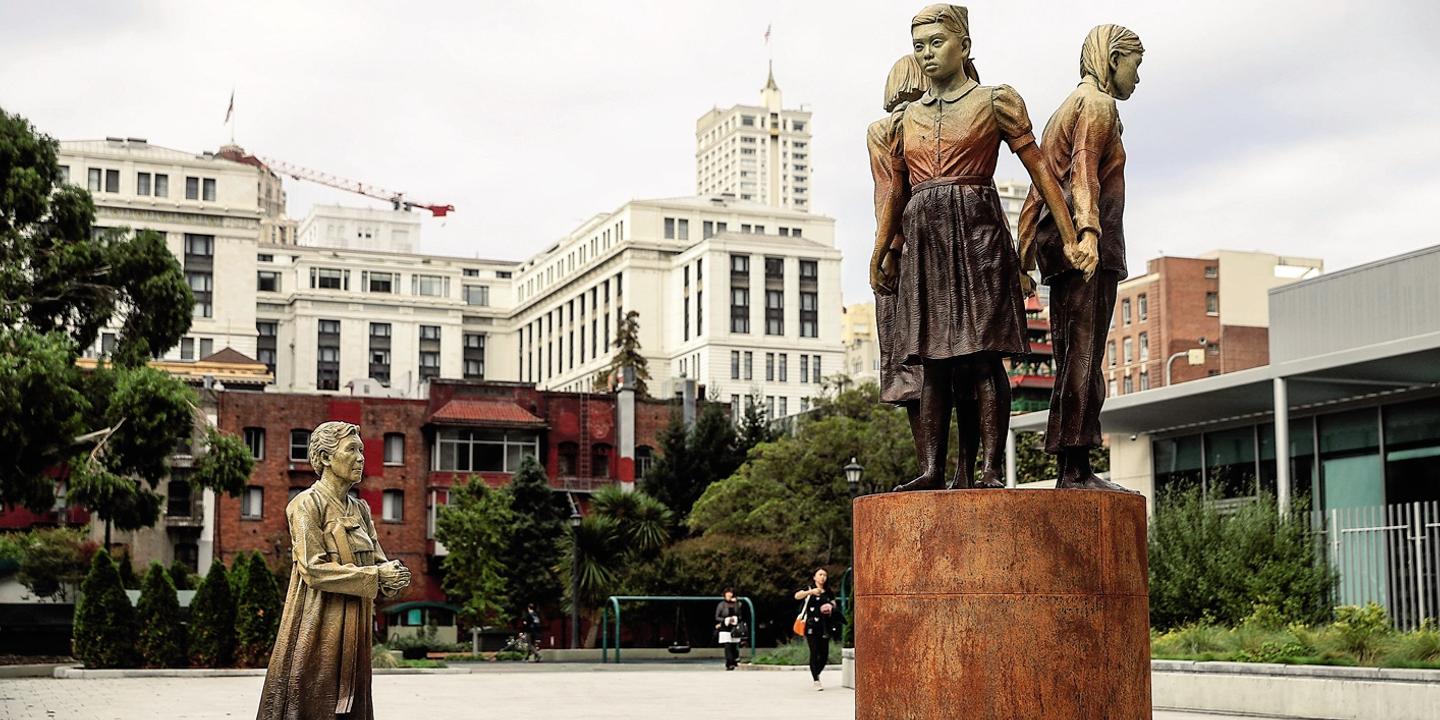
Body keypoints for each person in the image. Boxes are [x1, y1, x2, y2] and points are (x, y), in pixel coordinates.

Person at [871, 4, 1081, 492]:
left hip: (979, 236)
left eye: (936, 43)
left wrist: (1070, 235)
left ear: (964, 46)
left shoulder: (994, 101)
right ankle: (931, 471)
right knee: (934, 361)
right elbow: (893, 197)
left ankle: (989, 469)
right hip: (925, 240)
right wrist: (881, 251)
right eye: (918, 45)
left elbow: (1042, 172)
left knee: (983, 356)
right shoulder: (905, 122)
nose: (926, 54)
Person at [1017, 24, 1144, 492]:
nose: (1137, 77)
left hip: (1061, 250)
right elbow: (1083, 176)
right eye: (1136, 64)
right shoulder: (1096, 104)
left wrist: (1025, 253)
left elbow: (1039, 187)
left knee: (1074, 354)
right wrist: (1089, 234)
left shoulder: (1064, 110)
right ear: (1113, 59)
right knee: (1083, 358)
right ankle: (1075, 469)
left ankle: (1073, 464)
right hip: (1086, 251)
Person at [867, 52, 978, 486]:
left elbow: (886, 198)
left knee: (930, 374)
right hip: (922, 255)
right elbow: (888, 195)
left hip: (917, 254)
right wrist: (891, 249)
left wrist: (888, 249)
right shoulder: (893, 129)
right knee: (951, 370)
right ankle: (954, 470)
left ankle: (937, 468)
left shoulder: (898, 127)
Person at [257, 421, 411, 720]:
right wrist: (376, 577)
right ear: (326, 458)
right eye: (351, 450)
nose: (360, 458)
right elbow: (312, 569)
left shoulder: (361, 509)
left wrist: (392, 576)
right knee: (314, 698)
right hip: (319, 620)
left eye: (362, 451)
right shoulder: (305, 504)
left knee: (354, 704)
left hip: (356, 622)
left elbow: (377, 560)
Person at [793, 568, 842, 691]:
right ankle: (816, 679)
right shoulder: (809, 588)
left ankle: (816, 672)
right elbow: (797, 596)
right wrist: (810, 593)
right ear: (814, 577)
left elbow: (834, 604)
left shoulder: (828, 591)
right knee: (814, 652)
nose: (823, 577)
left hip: (825, 626)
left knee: (824, 655)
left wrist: (830, 607)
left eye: (825, 575)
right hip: (811, 625)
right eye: (820, 574)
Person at [714, 588, 744, 670]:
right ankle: (729, 663)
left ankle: (734, 660)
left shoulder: (737, 604)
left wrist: (735, 618)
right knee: (727, 646)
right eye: (727, 594)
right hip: (725, 627)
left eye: (730, 593)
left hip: (734, 627)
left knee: (734, 646)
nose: (729, 595)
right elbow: (717, 617)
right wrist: (725, 620)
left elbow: (740, 615)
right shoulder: (721, 604)